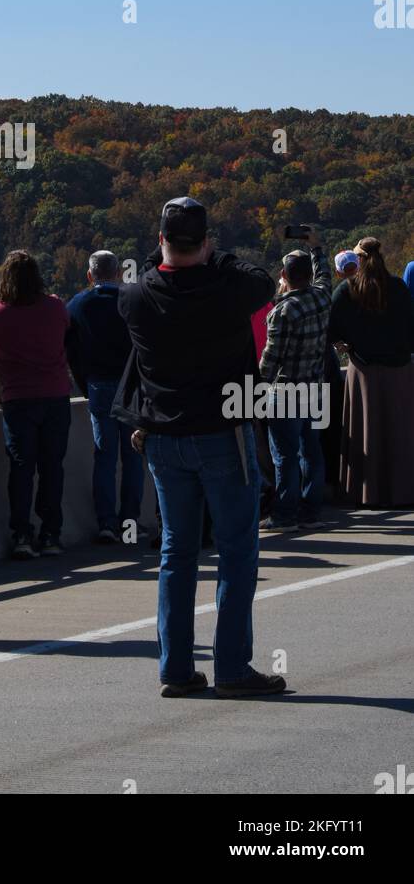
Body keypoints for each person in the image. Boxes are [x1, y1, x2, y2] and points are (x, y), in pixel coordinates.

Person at [115, 197, 283, 699]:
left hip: (164, 439)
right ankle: (232, 667)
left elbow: (150, 273)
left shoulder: (135, 299)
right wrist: (221, 256)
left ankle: (177, 667)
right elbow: (260, 278)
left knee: (176, 554)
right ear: (205, 243)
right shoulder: (231, 289)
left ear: (161, 241)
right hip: (224, 436)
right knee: (236, 553)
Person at [0, 251, 72, 559]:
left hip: (17, 399)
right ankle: (51, 534)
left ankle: (21, 534)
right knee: (52, 467)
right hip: (56, 395)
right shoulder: (55, 307)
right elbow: (67, 337)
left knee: (21, 469)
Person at [329, 237, 414, 507]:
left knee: (366, 432)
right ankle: (402, 491)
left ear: (359, 259)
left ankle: (365, 493)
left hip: (363, 371)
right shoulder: (398, 288)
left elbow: (331, 329)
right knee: (398, 433)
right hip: (399, 370)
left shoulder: (347, 289)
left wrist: (346, 343)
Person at [258, 230, 331, 531]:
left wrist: (255, 389)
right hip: (314, 386)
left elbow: (271, 358)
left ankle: (285, 514)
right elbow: (325, 274)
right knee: (311, 450)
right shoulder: (322, 297)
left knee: (284, 455)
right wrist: (315, 246)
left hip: (286, 390)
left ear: (284, 275)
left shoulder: (282, 311)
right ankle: (311, 510)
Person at [66, 250, 141, 544]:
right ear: (119, 273)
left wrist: (85, 384)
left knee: (105, 456)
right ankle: (130, 522)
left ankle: (106, 523)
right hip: (131, 385)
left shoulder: (77, 306)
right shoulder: (131, 301)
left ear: (90, 275)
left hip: (98, 385)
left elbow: (71, 351)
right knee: (133, 456)